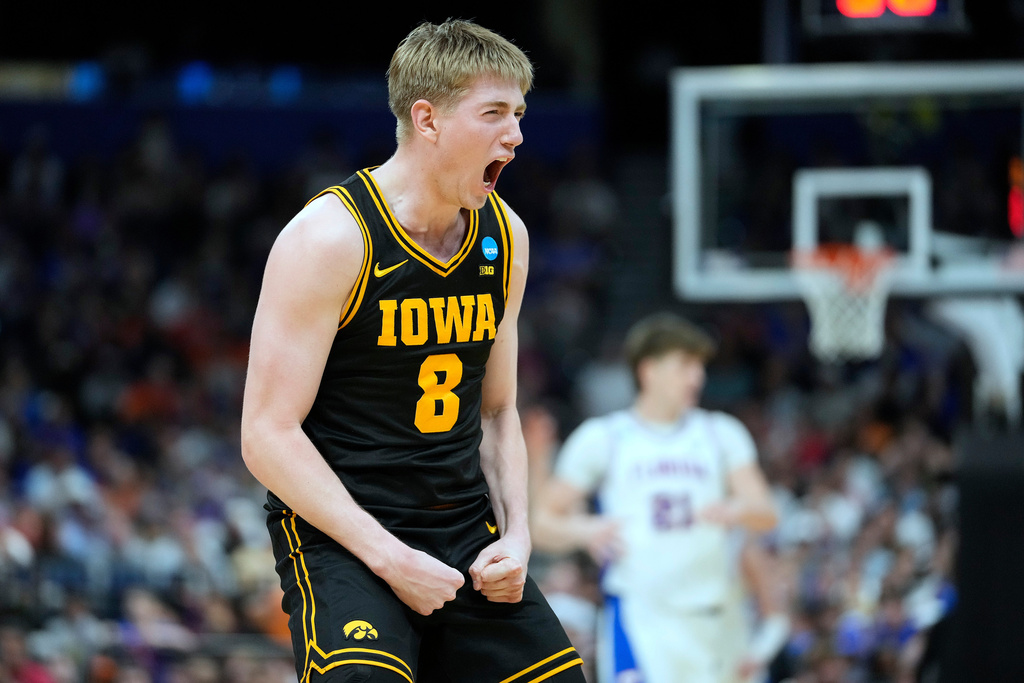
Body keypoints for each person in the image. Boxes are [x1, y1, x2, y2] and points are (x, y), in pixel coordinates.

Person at [240, 19, 585, 683]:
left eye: (518, 113)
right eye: (493, 114)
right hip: (342, 530)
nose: (514, 135)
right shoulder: (330, 238)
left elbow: (498, 412)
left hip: (462, 526)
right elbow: (265, 433)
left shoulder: (505, 236)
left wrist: (517, 536)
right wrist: (390, 557)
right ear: (427, 119)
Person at [532, 312, 779, 683]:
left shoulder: (721, 433)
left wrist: (739, 509)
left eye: (699, 366)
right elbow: (541, 522)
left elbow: (767, 513)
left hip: (712, 617)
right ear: (648, 371)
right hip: (638, 614)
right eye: (685, 365)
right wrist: (585, 531)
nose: (698, 377)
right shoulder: (605, 437)